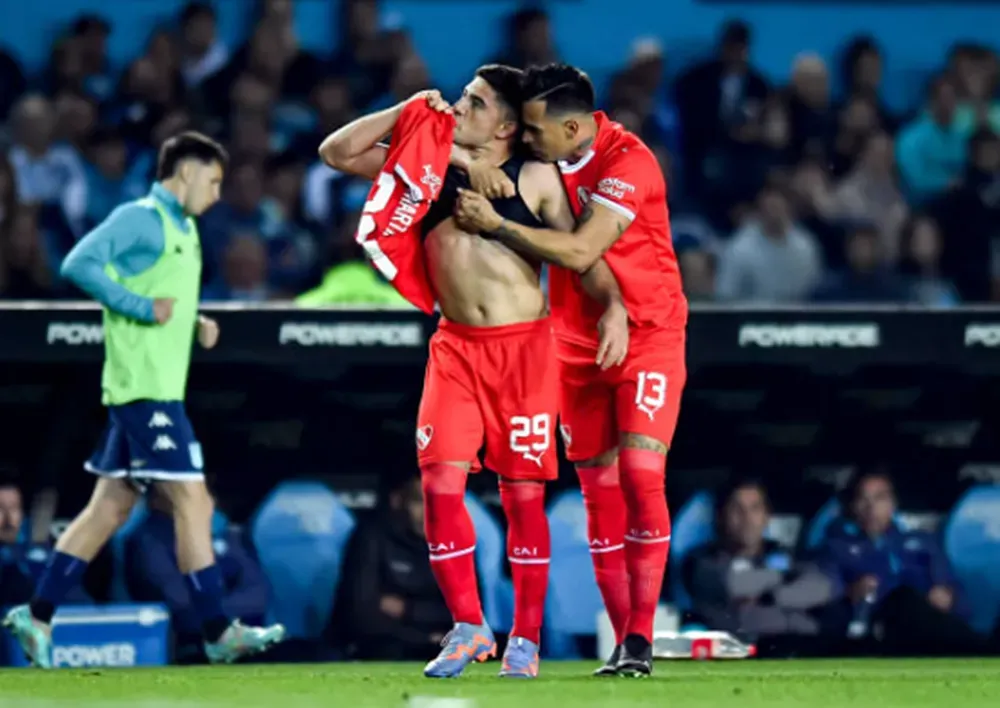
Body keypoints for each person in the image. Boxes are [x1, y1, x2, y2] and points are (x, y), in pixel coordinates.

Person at [319, 65, 627, 679]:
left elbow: (580, 254)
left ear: (508, 127)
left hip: (524, 352)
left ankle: (526, 639)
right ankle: (468, 626)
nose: (458, 108)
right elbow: (336, 152)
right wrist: (409, 107)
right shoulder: (428, 169)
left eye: (476, 103)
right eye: (462, 98)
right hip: (456, 348)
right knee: (437, 485)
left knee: (522, 498)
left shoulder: (536, 177)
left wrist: (614, 305)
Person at [2, 132, 286, 669]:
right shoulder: (143, 218)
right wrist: (135, 304)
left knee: (107, 509)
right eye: (214, 180)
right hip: (145, 391)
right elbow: (79, 262)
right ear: (185, 173)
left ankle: (35, 614)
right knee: (193, 502)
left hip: (154, 388)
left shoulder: (185, 228)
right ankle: (218, 629)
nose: (217, 193)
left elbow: (165, 296)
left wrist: (191, 321)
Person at [454, 63, 687, 677]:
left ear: (575, 126)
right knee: (598, 495)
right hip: (571, 345)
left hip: (648, 335)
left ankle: (638, 637)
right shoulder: (549, 160)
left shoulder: (628, 164)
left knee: (641, 473)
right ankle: (623, 647)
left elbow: (584, 251)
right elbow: (461, 143)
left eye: (535, 131)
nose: (526, 140)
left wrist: (498, 225)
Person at [332, 474, 452, 661]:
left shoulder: (456, 543)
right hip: (386, 647)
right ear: (397, 500)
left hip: (445, 644)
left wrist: (409, 609)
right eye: (420, 502)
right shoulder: (370, 538)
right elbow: (361, 616)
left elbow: (471, 614)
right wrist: (426, 639)